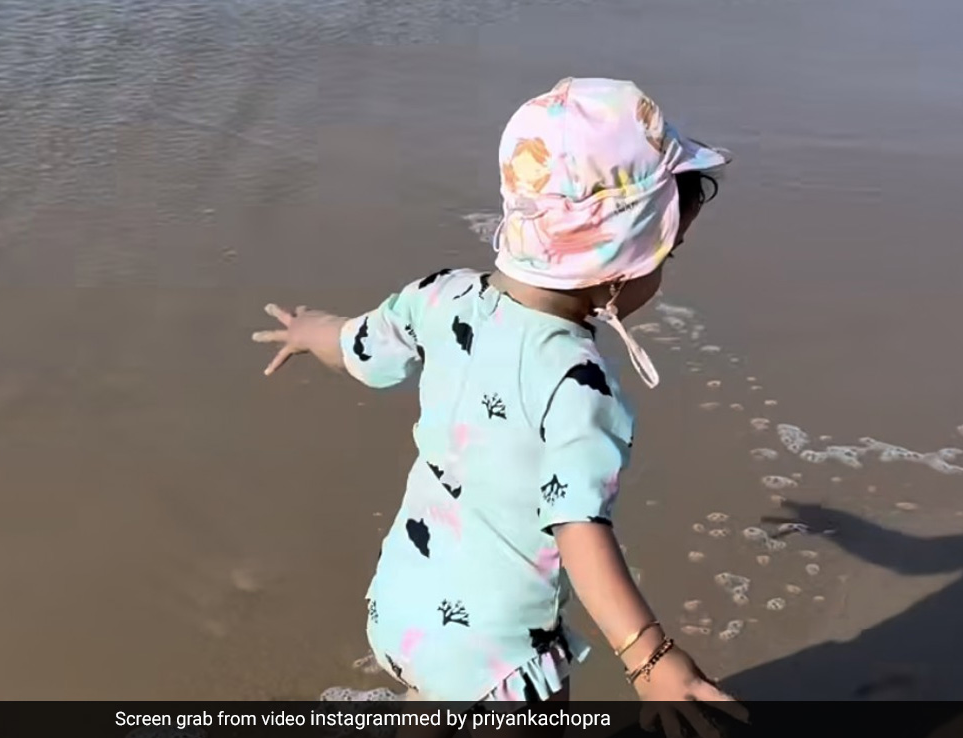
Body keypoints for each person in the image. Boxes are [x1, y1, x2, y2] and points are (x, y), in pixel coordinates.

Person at [252, 77, 749, 735]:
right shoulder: (577, 382)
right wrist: (649, 657)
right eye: (665, 253)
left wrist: (311, 330)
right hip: (497, 659)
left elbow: (357, 345)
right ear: (621, 262)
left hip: (402, 608)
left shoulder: (440, 295)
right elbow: (578, 528)